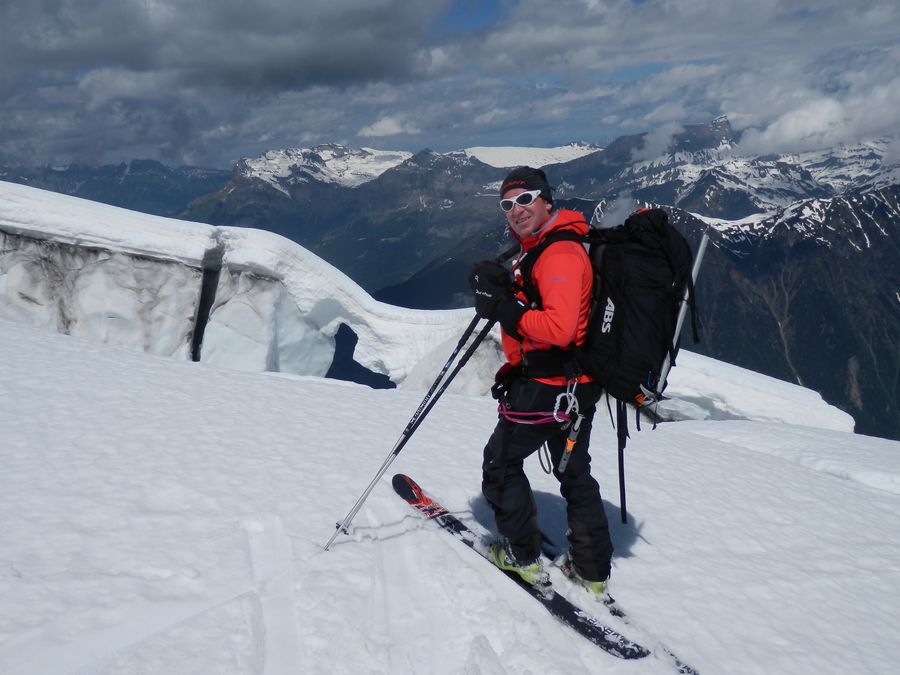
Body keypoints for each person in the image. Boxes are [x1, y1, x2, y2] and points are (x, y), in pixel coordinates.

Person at [468, 166, 613, 594]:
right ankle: (592, 572)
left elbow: (560, 328)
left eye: (526, 198)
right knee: (574, 473)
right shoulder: (549, 245)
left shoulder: (559, 254)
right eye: (507, 204)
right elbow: (550, 306)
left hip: (549, 388)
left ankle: (522, 558)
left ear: (547, 200)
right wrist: (509, 292)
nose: (516, 210)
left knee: (501, 463)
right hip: (575, 386)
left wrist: (502, 308)